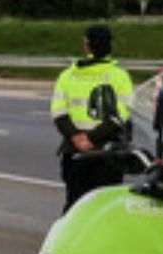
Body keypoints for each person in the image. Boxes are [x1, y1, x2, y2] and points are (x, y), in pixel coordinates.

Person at [50, 23, 135, 211]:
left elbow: (58, 112)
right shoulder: (120, 76)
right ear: (111, 46)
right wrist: (93, 138)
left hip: (75, 152)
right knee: (105, 209)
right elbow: (122, 114)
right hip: (107, 153)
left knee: (75, 208)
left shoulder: (67, 76)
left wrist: (76, 137)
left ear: (86, 47)